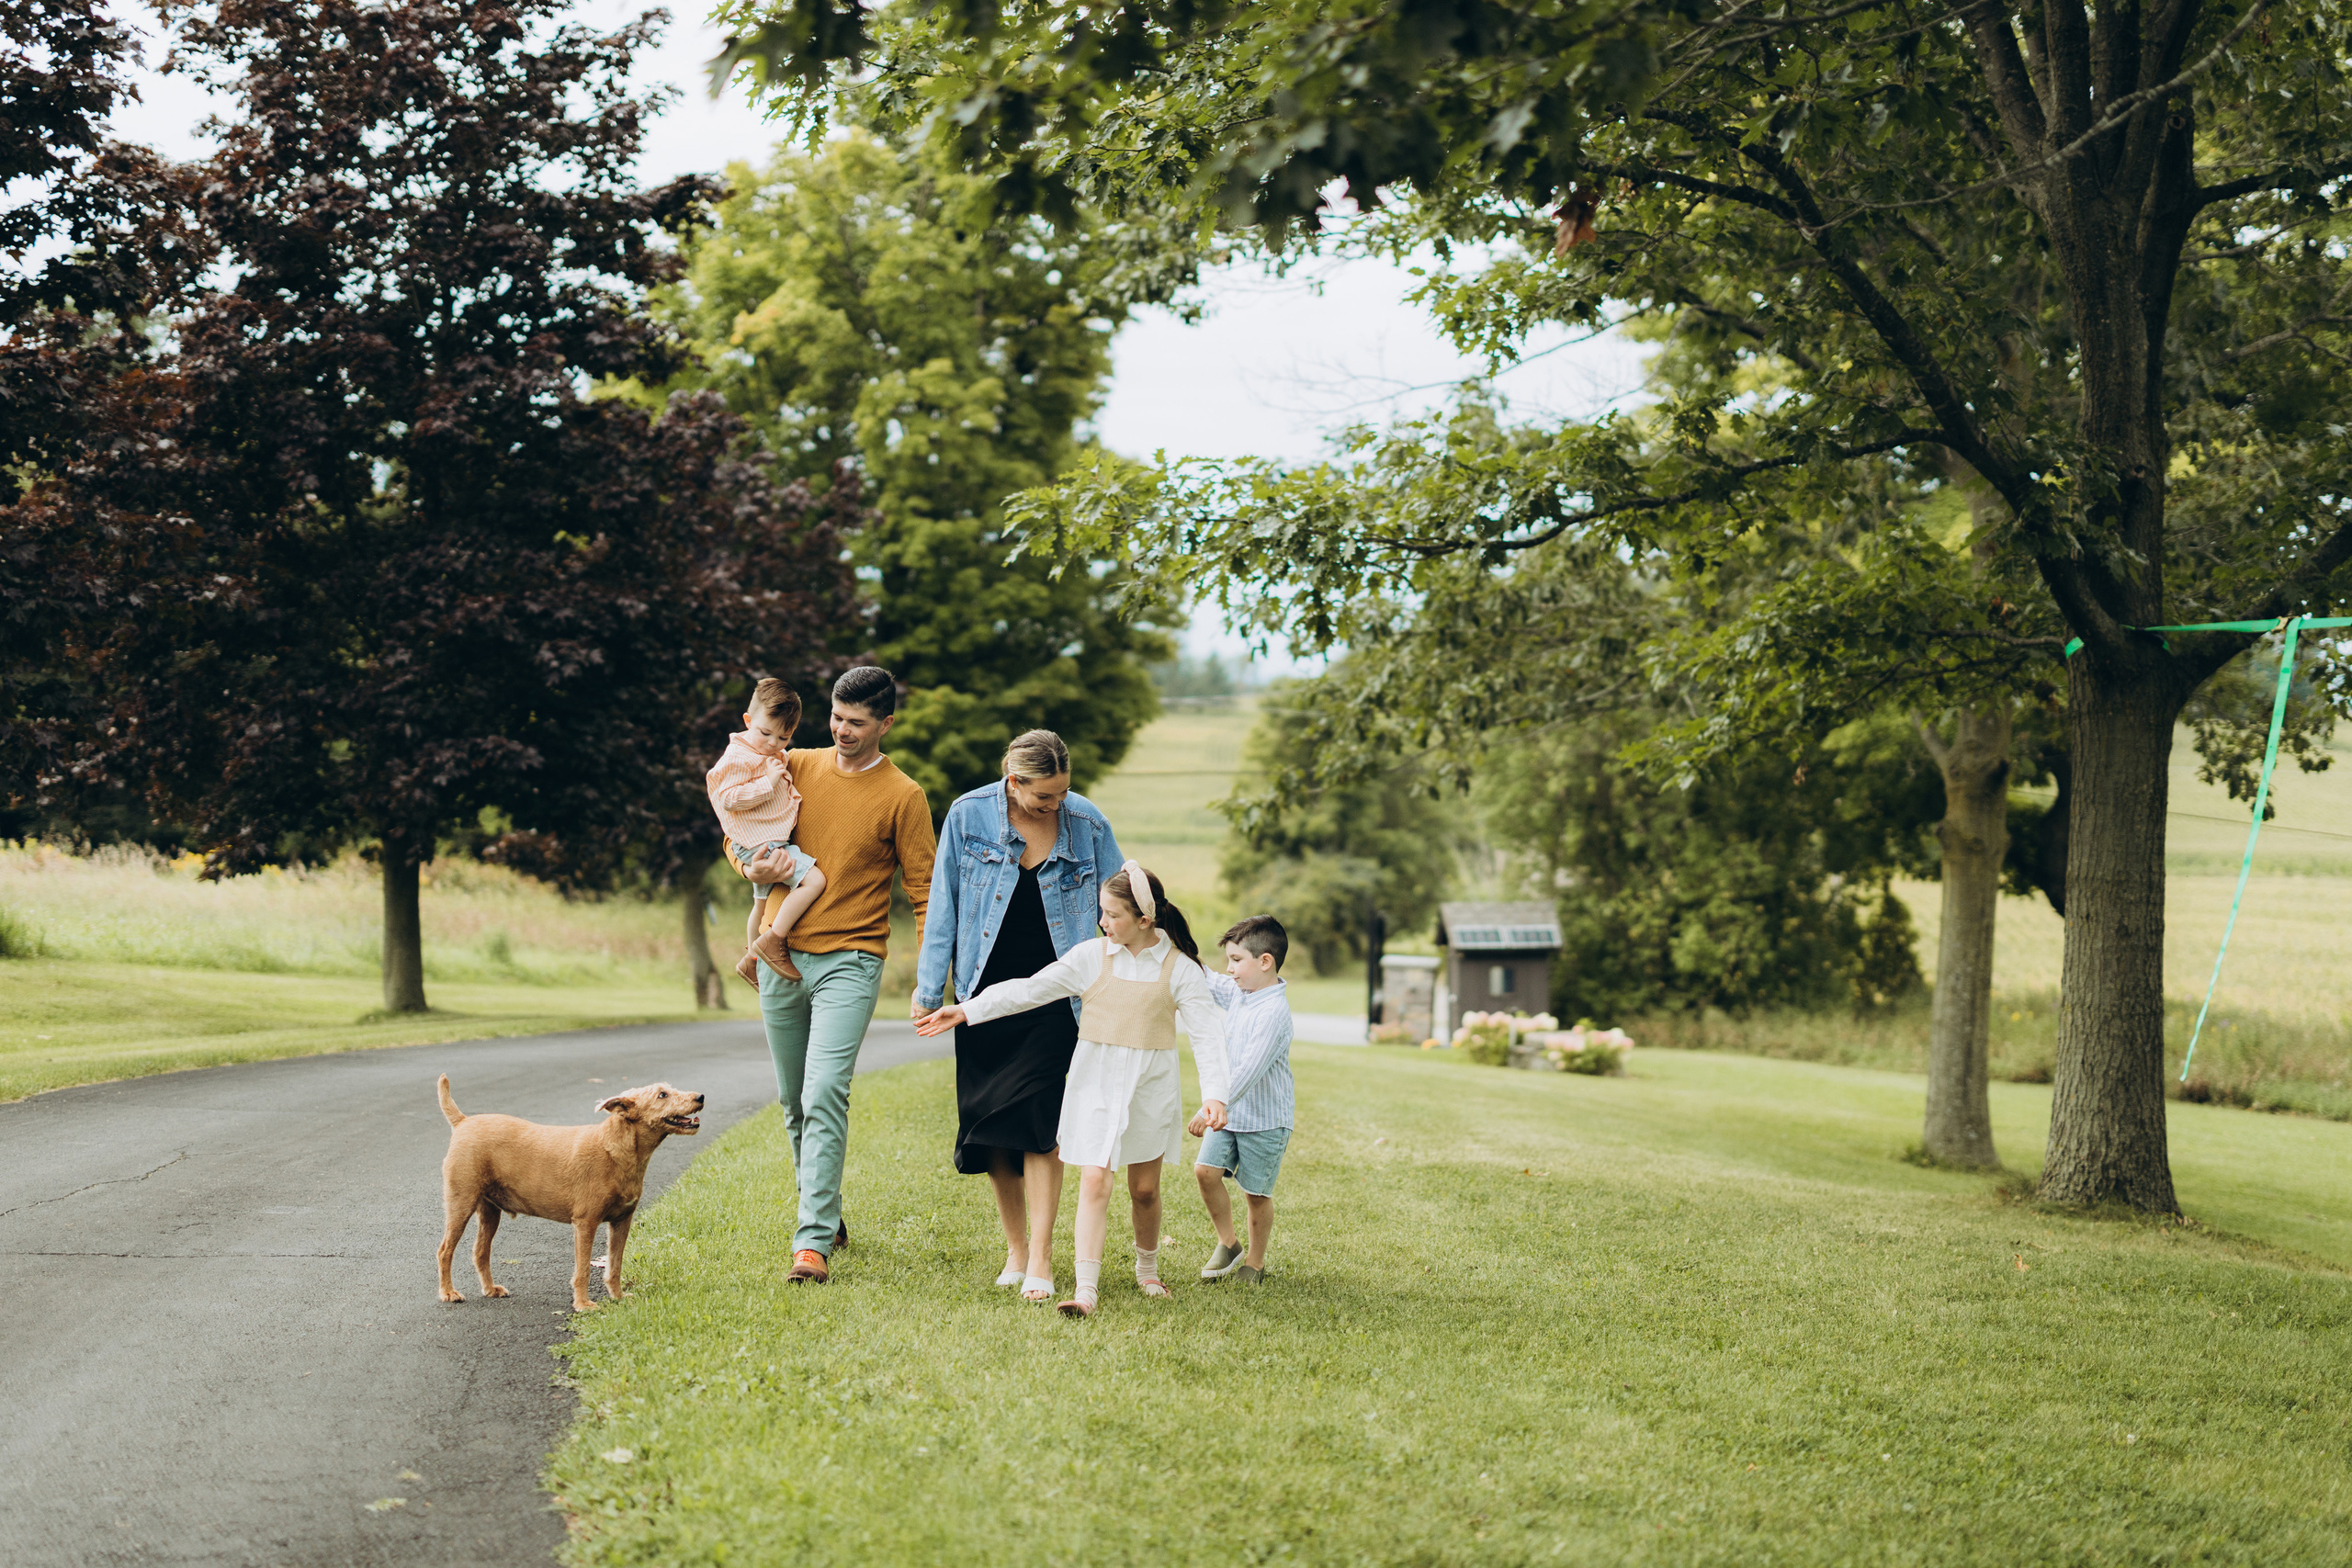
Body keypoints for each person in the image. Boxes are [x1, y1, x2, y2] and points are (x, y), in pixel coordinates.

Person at [915, 862, 1227, 1317]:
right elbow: (1030, 989)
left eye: (1112, 914)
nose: (1102, 921)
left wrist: (1215, 1094)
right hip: (1096, 1084)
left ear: (1145, 919)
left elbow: (1206, 1033)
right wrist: (966, 1011)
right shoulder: (1089, 957)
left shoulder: (1179, 969)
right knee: (1095, 1179)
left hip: (1150, 1088)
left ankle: (1147, 1267)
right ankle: (1085, 1289)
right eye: (1101, 912)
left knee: (1143, 1189)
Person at [731, 666, 935, 1285]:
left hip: (852, 958)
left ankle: (811, 1241)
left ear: (885, 724)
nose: (842, 731)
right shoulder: (796, 765)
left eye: (857, 722)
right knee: (793, 1099)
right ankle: (829, 1212)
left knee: (824, 1092)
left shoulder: (905, 795)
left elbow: (925, 891)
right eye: (836, 718)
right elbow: (742, 823)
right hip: (779, 955)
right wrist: (752, 869)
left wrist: (930, 980)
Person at [914, 729, 1125, 1303]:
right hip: (983, 991)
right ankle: (1014, 1249)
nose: (1056, 806)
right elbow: (944, 904)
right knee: (991, 1129)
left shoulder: (1088, 823)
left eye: (1062, 794)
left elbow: (1122, 897)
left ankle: (1040, 1258)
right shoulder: (967, 816)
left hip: (1059, 992)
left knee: (1039, 1122)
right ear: (1015, 781)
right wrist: (930, 988)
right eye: (1044, 797)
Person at [1190, 915, 1295, 1285]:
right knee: (1205, 1172)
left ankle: (1255, 1260)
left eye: (1236, 960)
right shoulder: (1239, 991)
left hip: (1265, 1120)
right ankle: (1228, 1243)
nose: (1229, 969)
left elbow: (1247, 1071)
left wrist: (1209, 1107)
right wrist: (1167, 928)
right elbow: (1205, 977)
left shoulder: (1273, 1013)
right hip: (1229, 1114)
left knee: (1256, 1194)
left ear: (1264, 962)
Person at [705, 679, 828, 986]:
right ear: (748, 721)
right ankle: (774, 941)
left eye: (783, 737)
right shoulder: (739, 757)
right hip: (762, 845)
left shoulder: (768, 754)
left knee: (761, 905)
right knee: (814, 881)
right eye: (764, 733)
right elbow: (727, 799)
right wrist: (768, 783)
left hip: (762, 843)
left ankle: (751, 960)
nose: (773, 743)